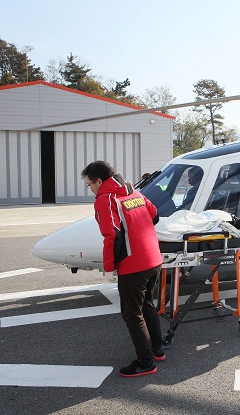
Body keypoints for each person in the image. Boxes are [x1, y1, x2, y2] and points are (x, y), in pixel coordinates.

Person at [81, 160, 165, 378]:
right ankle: (157, 349)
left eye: (89, 184)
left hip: (133, 264)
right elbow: (154, 215)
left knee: (132, 313)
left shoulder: (106, 199)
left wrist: (109, 267)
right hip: (153, 258)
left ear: (99, 181)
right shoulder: (133, 192)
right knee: (147, 304)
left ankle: (145, 363)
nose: (90, 188)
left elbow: (112, 235)